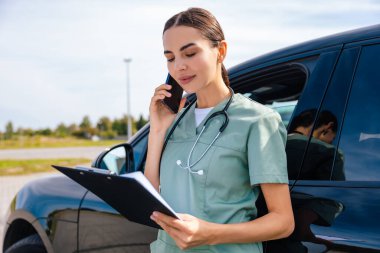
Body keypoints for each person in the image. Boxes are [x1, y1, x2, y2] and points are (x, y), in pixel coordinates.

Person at [144, 7, 294, 253]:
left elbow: (283, 222)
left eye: (190, 53)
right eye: (170, 58)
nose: (179, 66)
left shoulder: (257, 120)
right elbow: (151, 199)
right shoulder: (174, 121)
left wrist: (209, 234)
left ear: (220, 51)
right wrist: (158, 130)